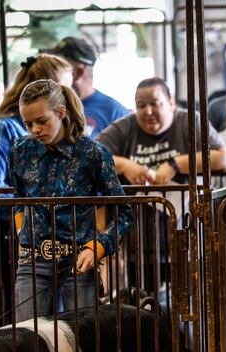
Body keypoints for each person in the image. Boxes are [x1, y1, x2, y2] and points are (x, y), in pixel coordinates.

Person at [9, 79, 133, 321]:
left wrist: (97, 248)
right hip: (32, 260)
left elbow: (124, 213)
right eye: (28, 123)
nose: (34, 129)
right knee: (26, 341)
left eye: (41, 121)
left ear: (61, 112)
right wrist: (21, 231)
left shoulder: (93, 153)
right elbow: (19, 198)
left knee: (84, 345)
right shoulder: (20, 150)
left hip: (79, 262)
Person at [97, 77, 226, 185]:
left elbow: (224, 159)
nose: (148, 112)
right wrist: (124, 166)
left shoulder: (189, 121)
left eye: (155, 104)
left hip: (186, 213)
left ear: (171, 103)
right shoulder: (124, 127)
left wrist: (175, 165)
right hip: (134, 214)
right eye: (141, 106)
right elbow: (88, 157)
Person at [0, 54, 72, 190]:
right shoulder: (1, 127)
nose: (69, 98)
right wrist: (30, 206)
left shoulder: (58, 131)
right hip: (15, 211)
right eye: (64, 91)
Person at [44, 36, 128, 137]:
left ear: (78, 72)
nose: (50, 72)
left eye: (57, 66)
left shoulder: (115, 113)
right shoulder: (48, 105)